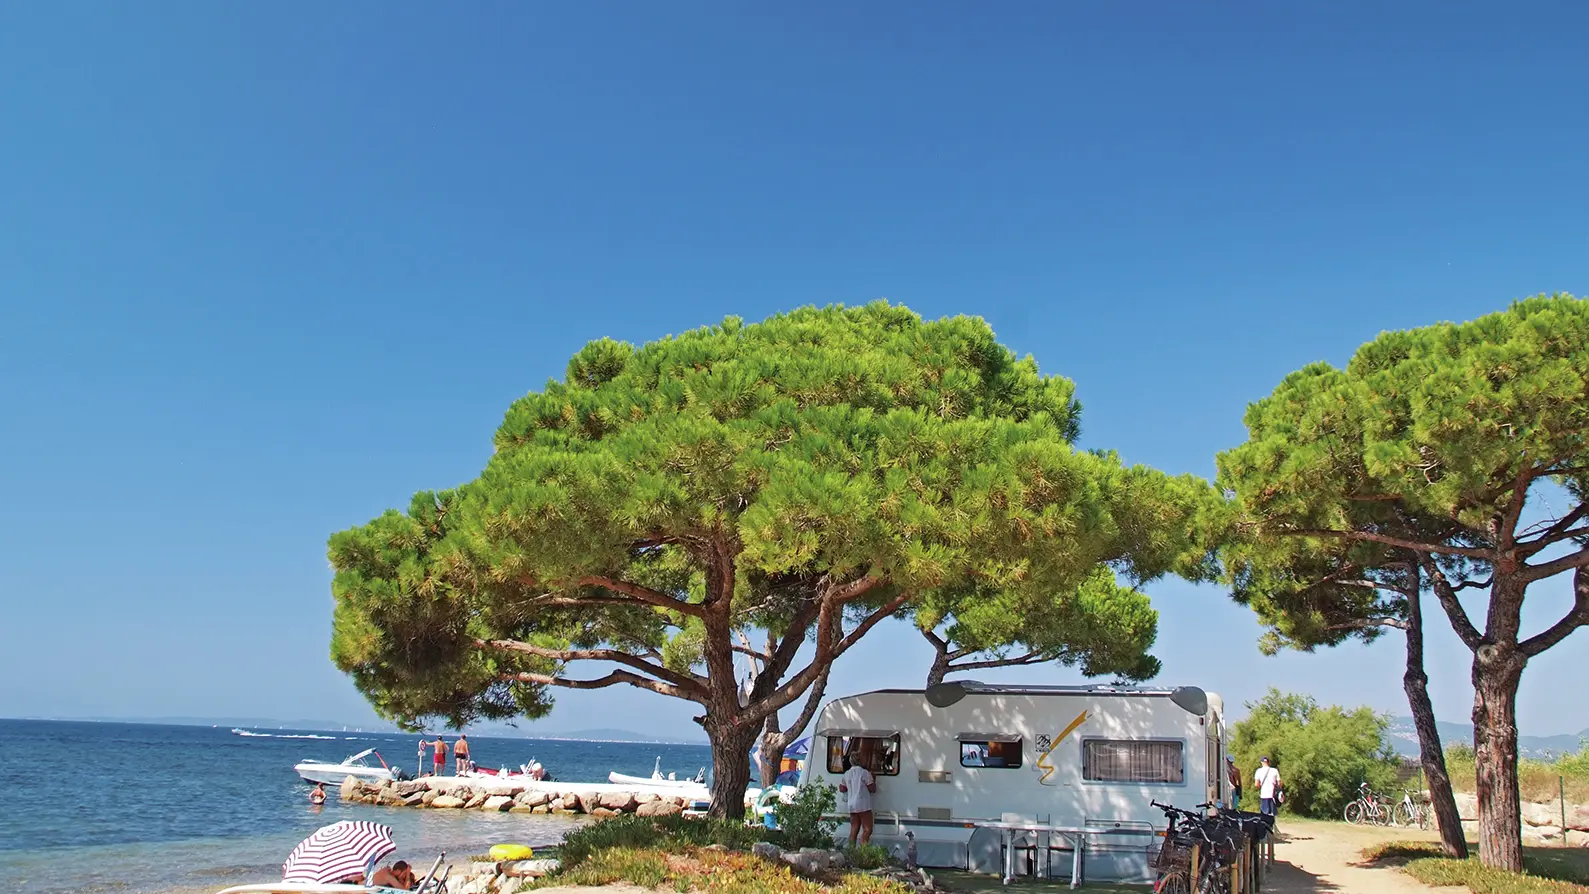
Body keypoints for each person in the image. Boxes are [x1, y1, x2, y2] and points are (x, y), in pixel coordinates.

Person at [838, 753, 876, 847]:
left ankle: (851, 851)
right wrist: (874, 779)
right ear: (860, 760)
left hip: (852, 805)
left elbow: (842, 788)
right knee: (867, 829)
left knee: (854, 829)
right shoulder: (865, 773)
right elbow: (872, 789)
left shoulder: (847, 774)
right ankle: (862, 851)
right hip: (863, 805)